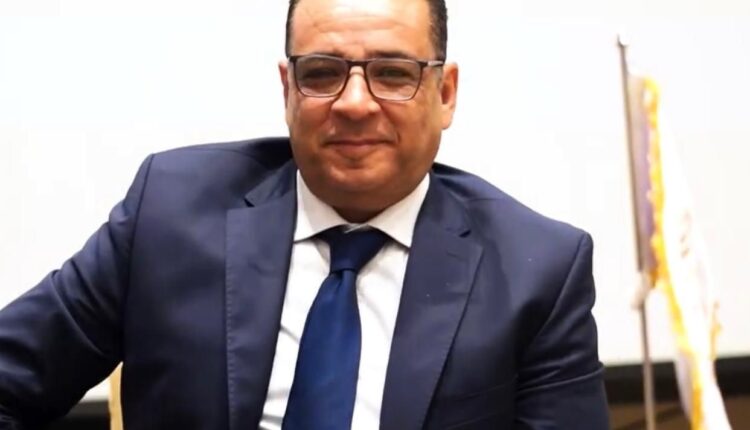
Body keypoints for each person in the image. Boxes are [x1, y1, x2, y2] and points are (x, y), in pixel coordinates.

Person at [0, 0, 610, 428]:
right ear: (288, 88)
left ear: (444, 94)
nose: (354, 104)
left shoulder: (536, 271)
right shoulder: (170, 211)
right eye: (322, 73)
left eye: (392, 74)